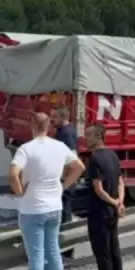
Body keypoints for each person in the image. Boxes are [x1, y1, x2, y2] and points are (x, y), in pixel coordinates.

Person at [9, 112, 85, 270]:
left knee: (36, 257)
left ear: (31, 125)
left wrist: (19, 192)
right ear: (49, 126)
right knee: (53, 252)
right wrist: (62, 186)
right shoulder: (59, 146)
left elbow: (13, 174)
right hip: (54, 207)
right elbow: (79, 167)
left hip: (32, 208)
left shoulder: (26, 149)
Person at [81, 123, 125, 270]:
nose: (85, 139)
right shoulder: (113, 155)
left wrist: (114, 202)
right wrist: (119, 202)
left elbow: (98, 189)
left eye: (89, 136)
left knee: (103, 256)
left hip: (100, 214)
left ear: (98, 137)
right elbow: (121, 181)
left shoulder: (95, 159)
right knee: (114, 252)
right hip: (113, 213)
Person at [51, 107, 78, 257]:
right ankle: (65, 247)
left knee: (64, 215)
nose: (52, 120)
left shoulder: (66, 133)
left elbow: (72, 159)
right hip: (64, 181)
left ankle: (67, 248)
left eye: (54, 117)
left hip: (65, 182)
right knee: (63, 214)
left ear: (63, 117)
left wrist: (63, 183)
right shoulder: (64, 131)